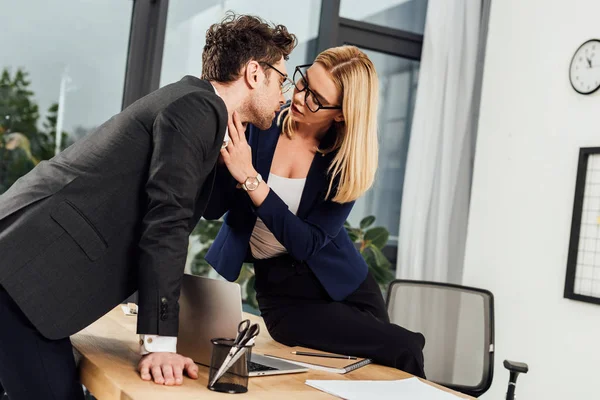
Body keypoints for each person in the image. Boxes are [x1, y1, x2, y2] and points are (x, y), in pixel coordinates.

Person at [0, 13, 296, 399]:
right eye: (281, 80)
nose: (284, 95)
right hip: (25, 280)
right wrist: (159, 344)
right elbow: (168, 221)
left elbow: (201, 207)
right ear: (254, 73)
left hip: (20, 266)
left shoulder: (195, 106)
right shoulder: (198, 108)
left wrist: (239, 167)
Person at [204, 45, 426, 378]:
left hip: (351, 289)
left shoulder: (343, 164)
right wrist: (223, 159)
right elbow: (211, 208)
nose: (299, 97)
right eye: (304, 83)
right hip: (288, 301)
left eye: (315, 99)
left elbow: (306, 243)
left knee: (378, 374)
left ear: (341, 113)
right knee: (404, 346)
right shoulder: (262, 125)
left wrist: (252, 180)